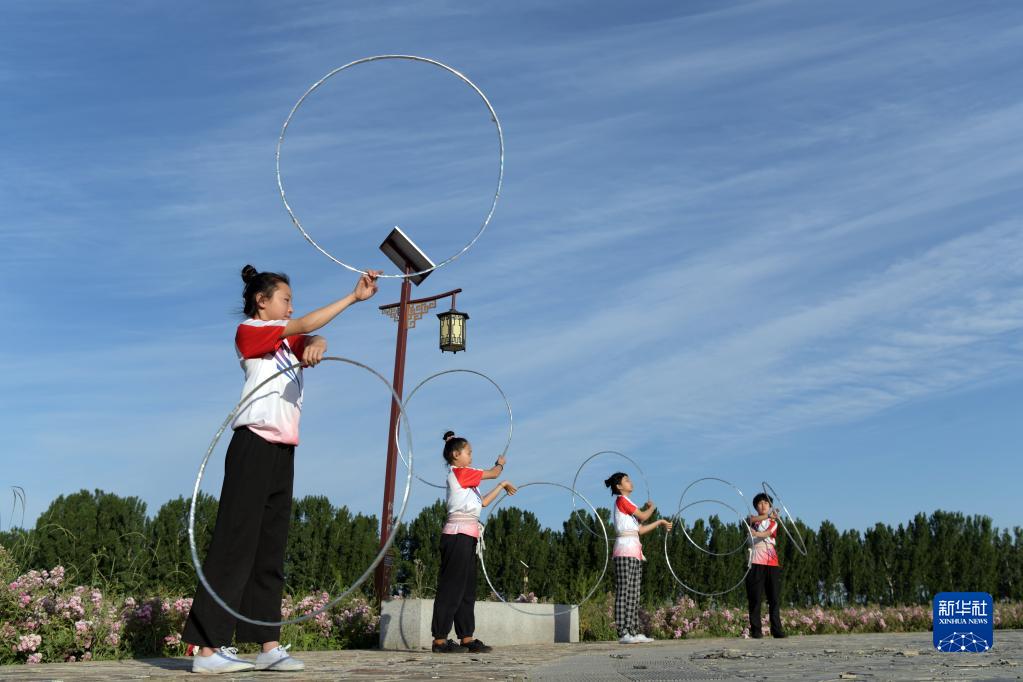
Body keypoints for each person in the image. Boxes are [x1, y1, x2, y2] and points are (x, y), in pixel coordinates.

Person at [183, 264, 380, 674]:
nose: (292, 306)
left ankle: (268, 646)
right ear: (262, 301)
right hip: (252, 444)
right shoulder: (251, 332)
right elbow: (304, 325)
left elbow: (311, 333)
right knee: (234, 544)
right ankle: (207, 650)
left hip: (283, 451)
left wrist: (319, 342)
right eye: (286, 299)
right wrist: (351, 298)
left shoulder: (287, 341)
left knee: (269, 549)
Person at [430, 431, 517, 654]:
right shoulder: (460, 472)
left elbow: (483, 503)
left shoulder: (468, 480)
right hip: (456, 535)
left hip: (469, 536)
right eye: (468, 452)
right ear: (455, 454)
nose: (471, 456)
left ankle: (466, 637)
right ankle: (440, 639)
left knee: (467, 589)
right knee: (451, 587)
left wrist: (502, 485)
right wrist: (500, 465)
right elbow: (494, 473)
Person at [604, 472, 672, 644]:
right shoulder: (622, 500)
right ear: (619, 486)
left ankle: (633, 631)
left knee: (634, 593)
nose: (630, 482)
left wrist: (660, 522)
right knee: (624, 592)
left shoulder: (629, 504)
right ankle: (623, 632)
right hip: (624, 550)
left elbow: (640, 529)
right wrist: (652, 508)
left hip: (634, 550)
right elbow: (642, 515)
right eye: (626, 480)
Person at [745, 492, 787, 639]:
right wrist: (768, 516)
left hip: (771, 562)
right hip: (755, 561)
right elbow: (751, 520)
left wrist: (756, 533)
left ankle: (777, 630)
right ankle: (756, 631)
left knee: (774, 597)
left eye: (766, 503)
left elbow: (768, 533)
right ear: (756, 506)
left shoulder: (774, 522)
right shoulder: (751, 520)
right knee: (755, 597)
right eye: (760, 503)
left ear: (770, 506)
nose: (763, 505)